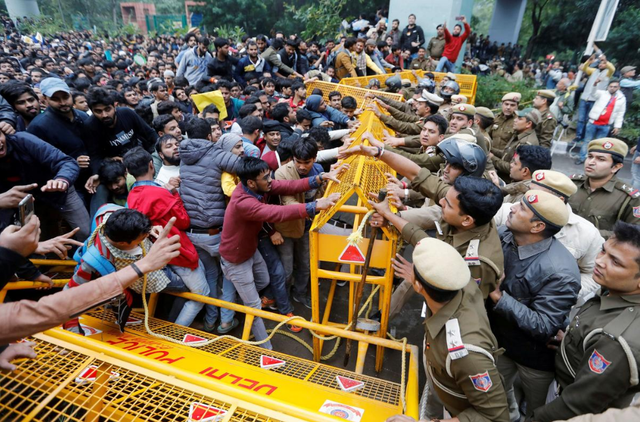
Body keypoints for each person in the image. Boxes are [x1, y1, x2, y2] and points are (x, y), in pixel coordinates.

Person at [0, 214, 181, 357]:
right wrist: (73, 339)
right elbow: (68, 295)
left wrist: (152, 231)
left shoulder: (109, 220)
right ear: (123, 244)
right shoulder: (92, 264)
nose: (145, 239)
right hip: (120, 293)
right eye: (142, 237)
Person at [218, 157, 342, 348]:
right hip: (236, 260)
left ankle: (243, 298)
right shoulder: (243, 201)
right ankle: (266, 349)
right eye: (266, 178)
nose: (270, 180)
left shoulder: (259, 185)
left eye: (269, 176)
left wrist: (319, 178)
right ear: (251, 182)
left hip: (249, 251)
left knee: (265, 281)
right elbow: (276, 213)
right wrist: (314, 206)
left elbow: (288, 185)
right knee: (254, 308)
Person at [384, 237, 509, 422]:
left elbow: (496, 417)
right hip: (443, 385)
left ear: (417, 285)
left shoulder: (466, 353)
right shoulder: (460, 282)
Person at [531, 222, 640, 422]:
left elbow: (575, 405)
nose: (600, 261)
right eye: (603, 251)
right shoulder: (615, 290)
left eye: (616, 262)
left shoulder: (615, 340)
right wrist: (572, 343)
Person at [488, 190, 580, 422]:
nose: (512, 208)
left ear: (537, 226)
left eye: (522, 209)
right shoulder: (504, 235)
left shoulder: (560, 271)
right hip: (500, 344)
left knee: (539, 412)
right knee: (495, 397)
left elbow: (545, 325)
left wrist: (499, 297)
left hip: (535, 360)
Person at [124, 147, 210, 328]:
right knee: (202, 294)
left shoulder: (132, 194)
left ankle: (171, 326)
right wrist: (173, 193)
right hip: (178, 252)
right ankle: (175, 334)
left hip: (156, 254)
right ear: (151, 165)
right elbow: (184, 222)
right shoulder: (160, 193)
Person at [179, 127, 242, 333]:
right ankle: (226, 321)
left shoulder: (184, 156)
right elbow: (244, 166)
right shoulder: (216, 154)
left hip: (193, 232)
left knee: (211, 276)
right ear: (208, 136)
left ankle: (210, 319)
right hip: (215, 232)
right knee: (229, 276)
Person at [569, 138, 640, 238]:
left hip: (598, 249)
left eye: (601, 159)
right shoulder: (571, 184)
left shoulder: (628, 198)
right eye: (590, 157)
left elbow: (633, 233)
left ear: (616, 167)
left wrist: (588, 234)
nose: (591, 162)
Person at [576, 80, 627, 165]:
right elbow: (593, 93)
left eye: (615, 87)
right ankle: (582, 158)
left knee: (600, 145)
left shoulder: (621, 98)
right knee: (587, 141)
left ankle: (595, 161)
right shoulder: (602, 93)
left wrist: (617, 126)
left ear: (618, 87)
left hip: (605, 125)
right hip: (593, 122)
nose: (612, 88)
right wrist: (595, 84)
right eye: (611, 86)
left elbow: (620, 113)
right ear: (608, 87)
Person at [574, 53, 616, 144]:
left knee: (589, 120)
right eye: (600, 63)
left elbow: (612, 68)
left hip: (595, 100)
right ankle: (578, 136)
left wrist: (605, 60)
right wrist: (589, 61)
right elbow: (585, 68)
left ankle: (585, 136)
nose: (601, 64)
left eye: (603, 63)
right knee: (581, 119)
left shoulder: (608, 73)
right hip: (585, 98)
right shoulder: (594, 71)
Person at [491, 108, 540, 183]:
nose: (515, 120)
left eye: (519, 119)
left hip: (509, 183)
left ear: (529, 124)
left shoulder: (526, 143)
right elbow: (506, 154)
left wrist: (492, 158)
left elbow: (512, 168)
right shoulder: (519, 134)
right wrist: (490, 149)